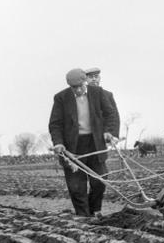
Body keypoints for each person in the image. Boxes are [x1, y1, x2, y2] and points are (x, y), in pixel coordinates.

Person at [49, 68, 120, 217]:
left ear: (85, 82)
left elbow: (110, 114)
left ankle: (94, 211)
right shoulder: (61, 98)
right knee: (76, 187)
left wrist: (109, 132)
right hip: (72, 147)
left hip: (95, 144)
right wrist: (58, 143)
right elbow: (55, 124)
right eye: (74, 88)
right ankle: (83, 216)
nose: (78, 90)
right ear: (70, 86)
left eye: (81, 86)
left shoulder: (98, 93)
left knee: (99, 180)